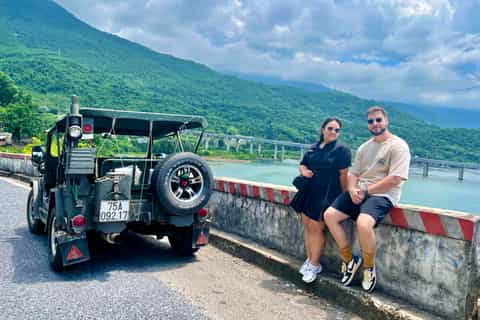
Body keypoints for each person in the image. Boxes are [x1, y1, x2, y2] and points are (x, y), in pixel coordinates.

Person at [324, 106, 411, 293]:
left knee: (364, 224)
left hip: (382, 194)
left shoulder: (398, 146)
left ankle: (368, 267)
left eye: (378, 120)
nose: (375, 124)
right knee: (329, 215)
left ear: (386, 121)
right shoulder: (365, 147)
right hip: (361, 191)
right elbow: (353, 173)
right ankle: (349, 260)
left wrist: (365, 191)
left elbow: (395, 179)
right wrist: (353, 189)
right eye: (371, 121)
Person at [290, 118, 351, 283]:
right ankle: (310, 260)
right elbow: (303, 164)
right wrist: (304, 171)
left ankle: (315, 264)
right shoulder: (314, 148)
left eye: (337, 130)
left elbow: (344, 176)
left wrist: (345, 197)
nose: (333, 132)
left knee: (316, 228)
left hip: (328, 193)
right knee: (308, 226)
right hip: (310, 191)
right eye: (330, 128)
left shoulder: (342, 150)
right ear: (323, 129)